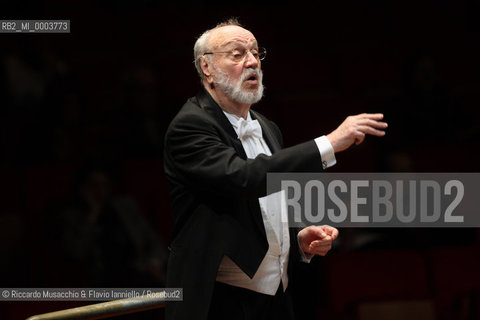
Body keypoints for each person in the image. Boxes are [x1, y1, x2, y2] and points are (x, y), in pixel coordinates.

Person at [163, 19, 387, 320]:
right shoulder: (190, 125)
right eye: (237, 53)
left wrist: (298, 240)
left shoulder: (267, 127)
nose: (252, 61)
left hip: (276, 300)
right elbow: (244, 179)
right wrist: (329, 143)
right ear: (207, 67)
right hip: (218, 301)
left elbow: (265, 208)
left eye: (256, 52)